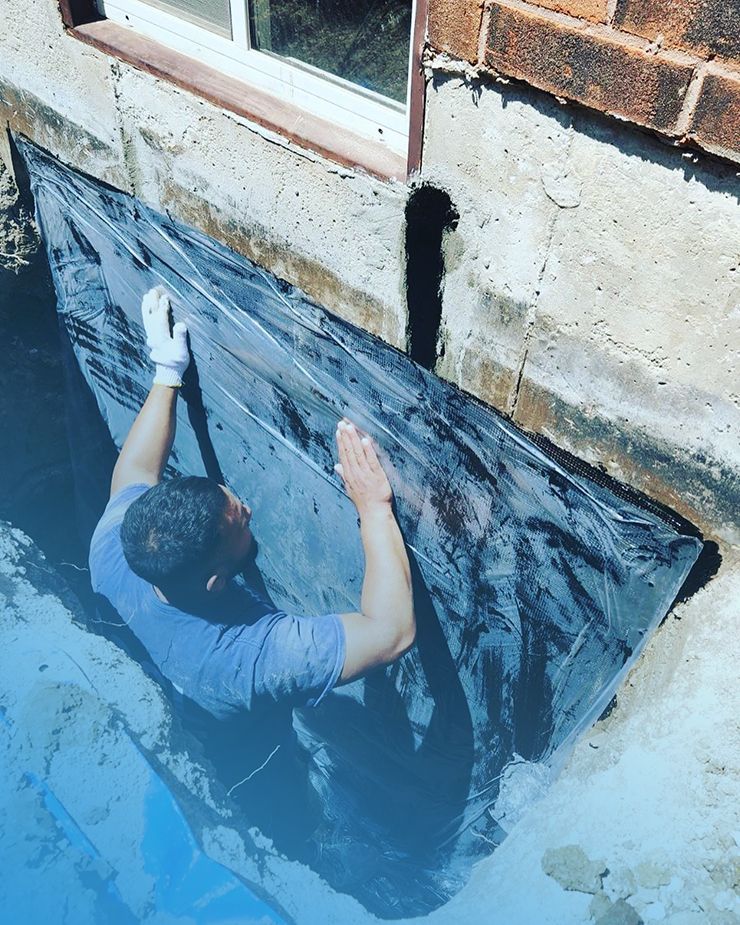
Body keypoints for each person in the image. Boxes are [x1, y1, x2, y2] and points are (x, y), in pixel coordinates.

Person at [89, 286, 416, 727]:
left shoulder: (119, 546)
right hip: (230, 735)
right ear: (216, 582)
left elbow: (134, 472)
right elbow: (391, 633)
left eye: (230, 499)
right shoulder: (249, 658)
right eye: (239, 523)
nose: (247, 511)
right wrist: (374, 508)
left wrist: (166, 372)